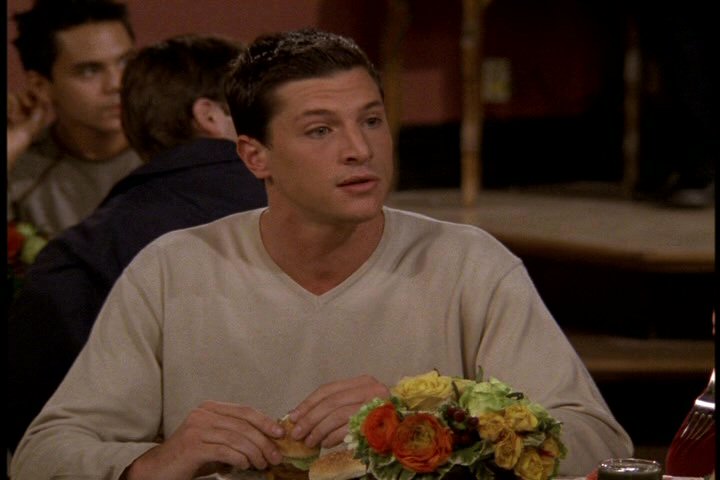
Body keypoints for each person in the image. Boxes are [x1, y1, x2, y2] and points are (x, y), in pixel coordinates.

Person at [10, 29, 632, 480]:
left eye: (371, 121)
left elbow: (598, 442)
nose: (359, 149)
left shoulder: (470, 265)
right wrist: (154, 461)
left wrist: (429, 426)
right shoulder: (172, 269)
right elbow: (41, 455)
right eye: (320, 130)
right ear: (255, 156)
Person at [7, 33, 267, 454]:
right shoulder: (325, 210)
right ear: (210, 116)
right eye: (261, 110)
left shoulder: (81, 253)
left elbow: (42, 441)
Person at [7, 0, 142, 237]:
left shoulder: (174, 150)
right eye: (90, 70)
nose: (116, 84)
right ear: (40, 86)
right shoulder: (20, 172)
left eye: (125, 62)